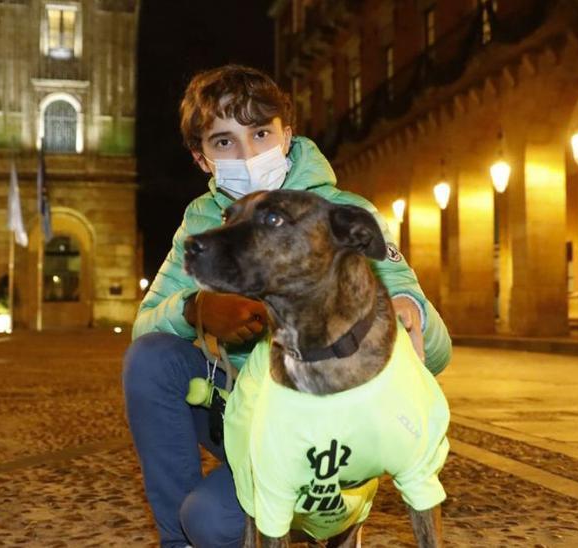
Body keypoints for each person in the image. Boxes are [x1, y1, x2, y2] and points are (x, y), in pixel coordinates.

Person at [123, 64, 451, 548]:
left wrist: (407, 308)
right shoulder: (201, 225)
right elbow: (142, 326)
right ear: (201, 159)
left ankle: (331, 515)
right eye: (224, 142)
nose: (249, 153)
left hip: (325, 429)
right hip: (243, 410)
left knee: (215, 521)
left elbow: (438, 350)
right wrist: (196, 308)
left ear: (287, 134)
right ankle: (178, 542)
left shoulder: (339, 213)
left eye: (260, 132)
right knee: (150, 360)